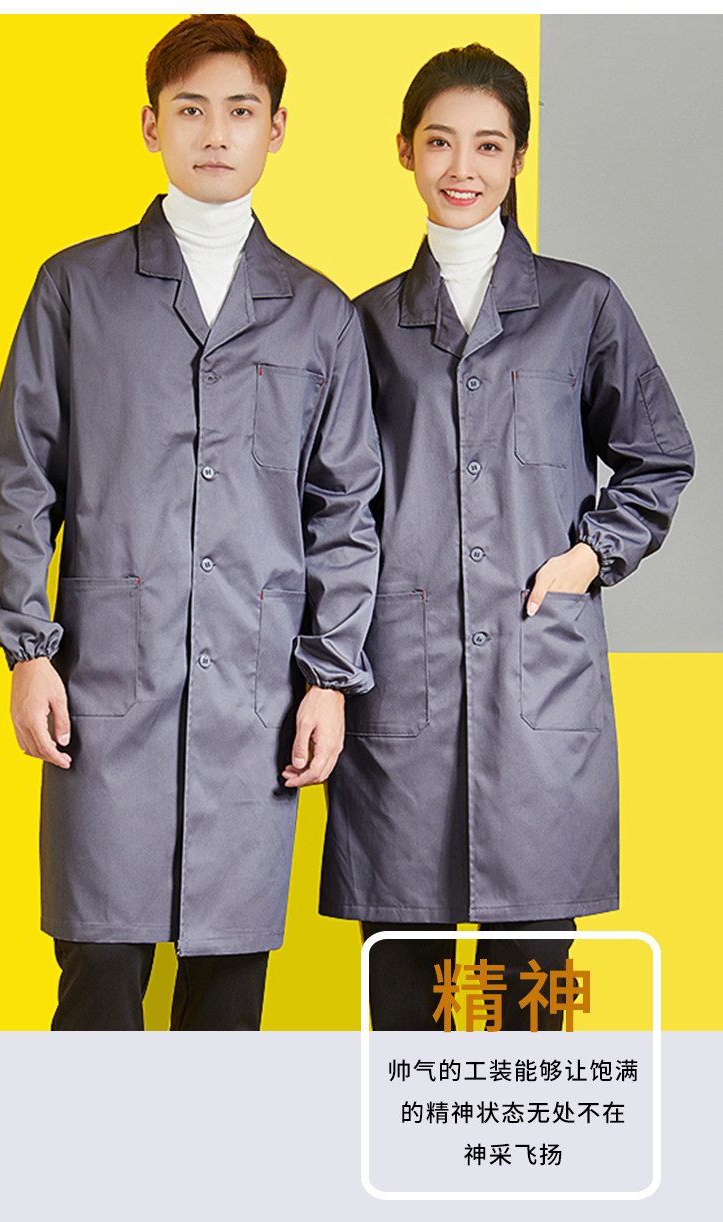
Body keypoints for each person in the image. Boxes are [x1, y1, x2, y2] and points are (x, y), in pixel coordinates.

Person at [0, 13, 380, 1031]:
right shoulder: (77, 288)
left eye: (240, 111)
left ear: (275, 130)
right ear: (150, 124)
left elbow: (345, 512)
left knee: (228, 996)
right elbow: (21, 480)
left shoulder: (320, 313)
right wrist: (27, 652)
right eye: (190, 110)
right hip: (104, 683)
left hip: (257, 697)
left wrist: (330, 679)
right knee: (101, 972)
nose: (215, 133)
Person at [321, 44, 694, 1030]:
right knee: (404, 994)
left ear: (519, 157)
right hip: (401, 681)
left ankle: (524, 1139)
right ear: (404, 149)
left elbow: (657, 456)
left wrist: (589, 556)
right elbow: (332, 504)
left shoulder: (582, 305)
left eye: (488, 145)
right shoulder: (360, 324)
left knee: (533, 996)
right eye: (439, 141)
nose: (462, 167)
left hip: (539, 676)